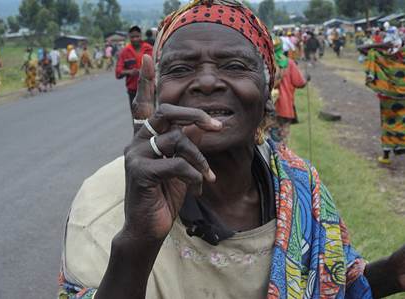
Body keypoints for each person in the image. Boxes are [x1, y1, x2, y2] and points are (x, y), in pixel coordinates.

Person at [59, 1, 405, 299]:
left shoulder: (300, 187)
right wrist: (137, 240)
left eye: (235, 66)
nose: (208, 82)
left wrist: (391, 273)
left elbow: (327, 286)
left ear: (267, 83)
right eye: (181, 69)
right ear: (158, 89)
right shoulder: (105, 203)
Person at [358, 41, 405, 164]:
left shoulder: (387, 57)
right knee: (402, 123)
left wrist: (382, 45)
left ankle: (386, 156)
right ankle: (399, 147)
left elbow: (362, 48)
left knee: (388, 122)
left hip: (389, 97)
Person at [274, 38, 308, 143]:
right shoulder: (289, 63)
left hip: (267, 107)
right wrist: (306, 79)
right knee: (282, 140)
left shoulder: (265, 62)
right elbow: (300, 83)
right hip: (285, 106)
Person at [115, 25, 153, 107]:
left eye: (137, 36)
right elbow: (118, 73)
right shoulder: (124, 52)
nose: (135, 39)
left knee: (151, 117)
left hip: (149, 90)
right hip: (133, 92)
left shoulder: (149, 49)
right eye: (132, 37)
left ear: (141, 36)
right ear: (129, 37)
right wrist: (129, 72)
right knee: (137, 118)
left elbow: (157, 66)